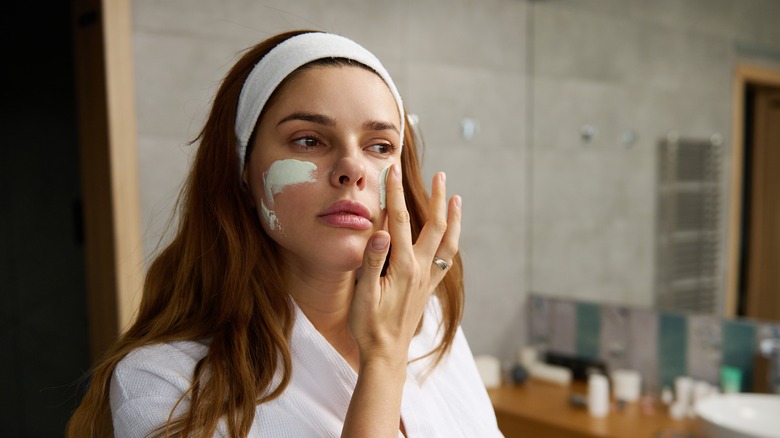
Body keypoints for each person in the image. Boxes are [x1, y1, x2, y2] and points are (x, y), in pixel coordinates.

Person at [67, 30, 501, 437]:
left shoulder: (429, 322)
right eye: (309, 140)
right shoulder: (166, 383)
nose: (353, 168)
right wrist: (384, 359)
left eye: (380, 146)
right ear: (242, 172)